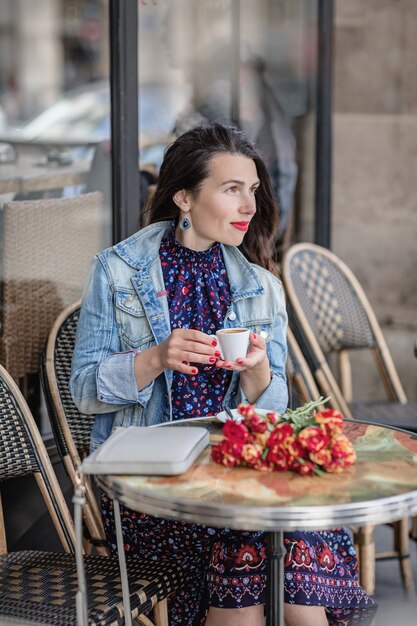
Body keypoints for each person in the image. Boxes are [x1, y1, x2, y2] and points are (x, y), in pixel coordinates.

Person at [70, 123, 376, 626]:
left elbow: (273, 408)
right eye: (232, 189)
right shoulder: (117, 271)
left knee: (287, 537)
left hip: (236, 473)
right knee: (253, 541)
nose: (249, 207)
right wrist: (153, 359)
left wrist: (257, 372)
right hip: (155, 486)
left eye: (253, 190)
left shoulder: (259, 285)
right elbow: (83, 390)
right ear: (184, 198)